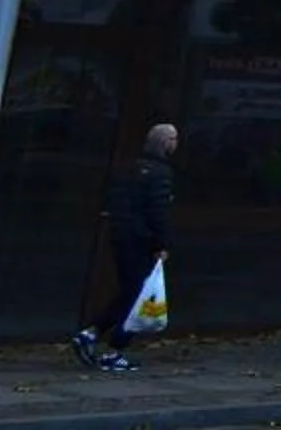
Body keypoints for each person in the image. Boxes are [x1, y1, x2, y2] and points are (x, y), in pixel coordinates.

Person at [76, 123, 177, 375]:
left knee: (130, 291)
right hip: (141, 240)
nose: (176, 144)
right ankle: (115, 350)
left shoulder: (128, 169)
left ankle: (91, 333)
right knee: (138, 297)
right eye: (174, 139)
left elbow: (115, 203)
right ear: (165, 143)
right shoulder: (160, 174)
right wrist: (161, 244)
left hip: (121, 237)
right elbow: (158, 212)